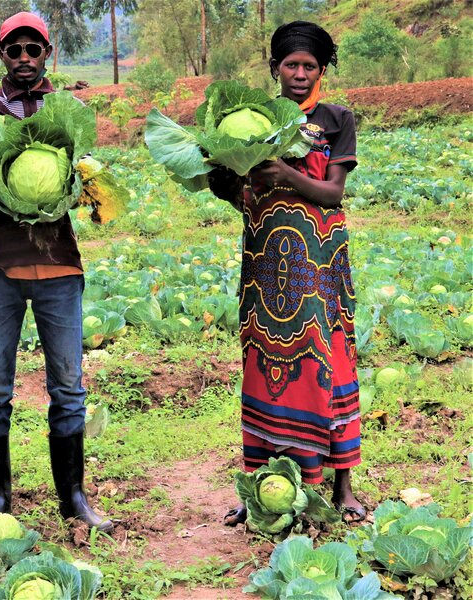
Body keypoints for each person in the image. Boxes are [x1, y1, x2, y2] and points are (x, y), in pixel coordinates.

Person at [0, 12, 112, 532]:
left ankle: (73, 498)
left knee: (68, 384)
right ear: (1, 54)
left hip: (59, 264)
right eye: (14, 50)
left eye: (33, 49)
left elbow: (84, 181)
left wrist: (81, 191)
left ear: (48, 52)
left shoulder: (68, 111)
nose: (24, 58)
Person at [211, 21, 366, 526]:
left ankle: (341, 485)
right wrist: (234, 185)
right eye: (291, 65)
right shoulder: (252, 121)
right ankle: (260, 484)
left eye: (310, 67)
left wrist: (287, 175)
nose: (300, 74)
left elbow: (333, 193)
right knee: (262, 367)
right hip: (265, 267)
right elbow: (222, 178)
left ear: (322, 70)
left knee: (330, 361)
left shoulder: (337, 119)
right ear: (274, 68)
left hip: (320, 269)